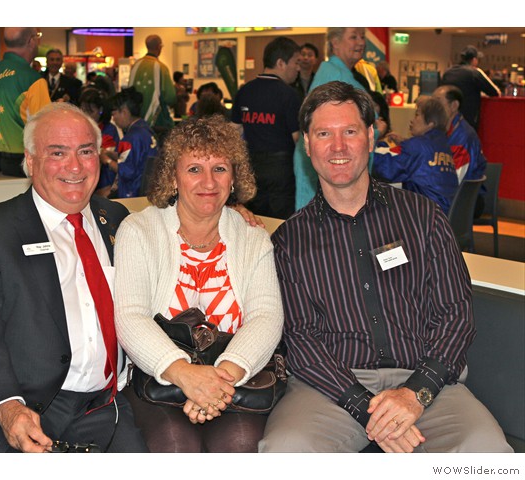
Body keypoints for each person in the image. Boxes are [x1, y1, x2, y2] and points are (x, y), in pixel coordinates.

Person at [260, 81, 512, 453]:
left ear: (370, 136)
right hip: (331, 388)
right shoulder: (289, 239)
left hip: (428, 382)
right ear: (308, 146)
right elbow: (300, 340)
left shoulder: (423, 217)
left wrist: (415, 393)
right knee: (287, 449)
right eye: (324, 134)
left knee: (486, 450)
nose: (339, 146)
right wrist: (368, 410)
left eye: (350, 131)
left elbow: (455, 313)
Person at [0, 102, 148, 453]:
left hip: (106, 406)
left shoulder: (117, 219)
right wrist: (6, 406)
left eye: (86, 151)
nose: (75, 166)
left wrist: (229, 216)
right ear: (31, 160)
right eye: (58, 152)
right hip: (22, 406)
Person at [113, 115, 284, 452]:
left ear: (234, 178)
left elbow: (267, 317)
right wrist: (186, 374)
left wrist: (220, 379)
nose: (209, 181)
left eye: (220, 169)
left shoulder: (253, 238)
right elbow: (130, 316)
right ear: (173, 177)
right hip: (161, 377)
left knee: (241, 443)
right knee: (175, 445)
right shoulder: (139, 230)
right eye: (194, 169)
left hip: (235, 377)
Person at [293, 27, 370, 211]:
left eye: (362, 36)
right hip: (324, 160)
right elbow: (318, 122)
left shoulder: (340, 72)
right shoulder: (332, 73)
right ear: (335, 42)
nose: (360, 42)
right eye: (353, 37)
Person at [231, 36, 302, 219]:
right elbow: (298, 139)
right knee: (281, 224)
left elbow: (234, 132)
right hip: (281, 172)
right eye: (296, 62)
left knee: (254, 222)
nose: (298, 68)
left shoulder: (244, 91)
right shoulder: (289, 95)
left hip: (251, 169)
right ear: (281, 63)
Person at [0, 27, 50, 176]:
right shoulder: (32, 79)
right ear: (31, 41)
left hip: (0, 164)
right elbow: (46, 127)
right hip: (28, 166)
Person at [373, 96, 458, 215]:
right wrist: (406, 144)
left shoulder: (417, 146)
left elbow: (384, 169)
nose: (412, 120)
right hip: (446, 214)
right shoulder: (443, 145)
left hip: (426, 218)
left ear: (430, 123)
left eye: (417, 115)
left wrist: (375, 135)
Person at [432, 84, 488, 217]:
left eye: (438, 102)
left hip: (465, 200)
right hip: (454, 193)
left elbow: (452, 179)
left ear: (454, 106)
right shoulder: (445, 129)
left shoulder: (463, 136)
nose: (433, 107)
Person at [108, 87, 158, 198]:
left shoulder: (130, 138)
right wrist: (111, 155)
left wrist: (106, 161)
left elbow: (126, 172)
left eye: (114, 114)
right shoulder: (145, 129)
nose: (113, 118)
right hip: (149, 191)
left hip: (133, 194)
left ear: (124, 112)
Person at [441, 45, 501, 131]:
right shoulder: (474, 73)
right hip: (467, 121)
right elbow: (495, 92)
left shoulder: (448, 72)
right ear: (474, 60)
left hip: (446, 119)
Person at [128, 34, 176, 132]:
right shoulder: (161, 67)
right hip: (157, 122)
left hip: (135, 120)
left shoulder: (136, 66)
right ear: (159, 47)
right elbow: (170, 97)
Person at [79, 87, 120, 197]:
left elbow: (102, 155)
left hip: (105, 181)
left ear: (100, 110)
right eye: (83, 110)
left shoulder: (109, 129)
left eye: (90, 111)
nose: (86, 115)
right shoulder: (79, 127)